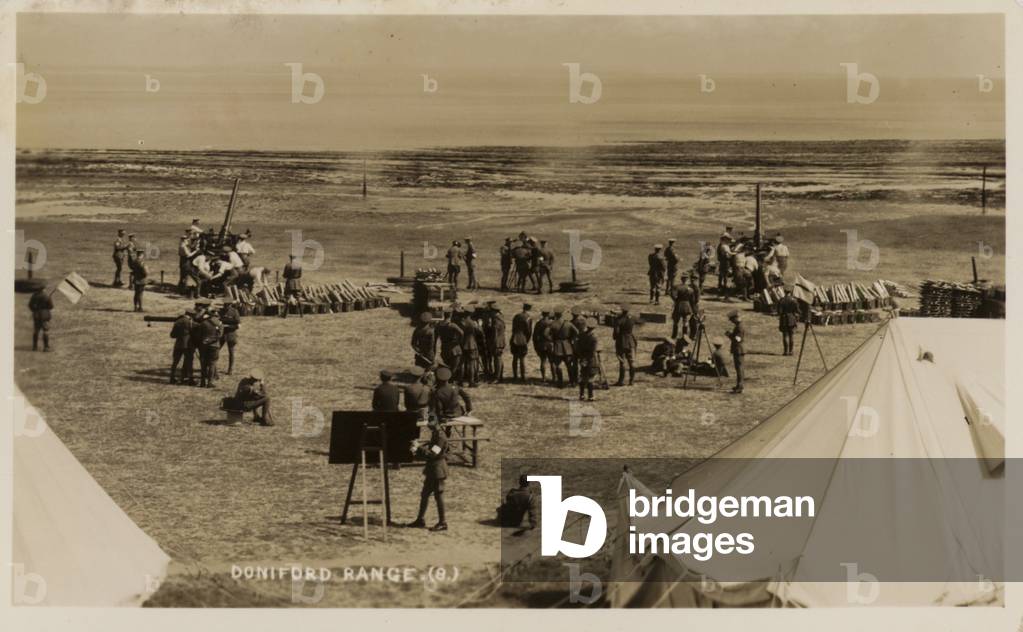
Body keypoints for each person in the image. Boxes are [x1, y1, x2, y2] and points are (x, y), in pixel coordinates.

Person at [409, 417, 449, 531]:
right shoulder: (435, 433)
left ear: (438, 423)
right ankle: (420, 520)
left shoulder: (440, 437)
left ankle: (443, 522)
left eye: (431, 421)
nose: (428, 423)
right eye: (428, 421)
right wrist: (417, 450)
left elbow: (432, 454)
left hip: (437, 470)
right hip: (432, 469)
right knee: (425, 494)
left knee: (438, 496)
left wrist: (418, 447)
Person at [549, 308, 578, 389]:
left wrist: (552, 339)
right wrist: (571, 338)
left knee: (558, 365)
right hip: (567, 346)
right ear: (562, 314)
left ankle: (560, 383)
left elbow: (546, 333)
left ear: (555, 314)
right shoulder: (568, 323)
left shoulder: (552, 324)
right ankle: (572, 382)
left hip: (557, 346)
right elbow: (577, 332)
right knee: (569, 365)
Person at [574, 318, 600, 401]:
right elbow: (593, 351)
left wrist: (582, 358)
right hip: (591, 359)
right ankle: (590, 396)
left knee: (583, 376)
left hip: (583, 358)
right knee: (590, 378)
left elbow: (577, 347)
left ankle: (581, 395)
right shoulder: (594, 337)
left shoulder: (581, 335)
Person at [198, 307, 223, 388]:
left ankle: (202, 382)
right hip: (214, 346)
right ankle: (210, 382)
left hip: (204, 345)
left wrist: (205, 341)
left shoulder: (203, 323)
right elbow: (220, 335)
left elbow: (199, 335)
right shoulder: (219, 323)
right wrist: (211, 340)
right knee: (212, 363)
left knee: (203, 364)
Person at [436, 311, 464, 384]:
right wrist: (459, 341)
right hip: (455, 348)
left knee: (446, 365)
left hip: (444, 348)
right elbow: (462, 333)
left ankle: (446, 380)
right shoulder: (452, 325)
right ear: (450, 315)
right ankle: (453, 381)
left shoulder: (439, 325)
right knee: (456, 366)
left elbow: (436, 335)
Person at [613, 305, 637, 386]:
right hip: (631, 341)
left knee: (622, 362)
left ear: (622, 310)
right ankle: (632, 380)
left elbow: (616, 333)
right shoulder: (632, 318)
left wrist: (615, 337)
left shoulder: (618, 320)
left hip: (621, 341)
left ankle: (621, 381)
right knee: (632, 362)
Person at [460, 310, 484, 387]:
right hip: (471, 345)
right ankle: (471, 381)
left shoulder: (462, 322)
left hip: (463, 344)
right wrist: (480, 325)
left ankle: (461, 381)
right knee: (471, 363)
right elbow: (480, 332)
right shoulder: (473, 323)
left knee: (462, 363)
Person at [510, 303, 533, 382]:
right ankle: (523, 377)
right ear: (529, 309)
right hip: (522, 339)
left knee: (515, 358)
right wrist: (526, 340)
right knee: (522, 359)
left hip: (514, 338)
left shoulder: (516, 316)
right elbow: (529, 331)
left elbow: (513, 328)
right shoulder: (528, 318)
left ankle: (515, 376)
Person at [169, 310, 194, 384]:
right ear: (191, 315)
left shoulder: (178, 321)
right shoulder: (190, 322)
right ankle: (190, 379)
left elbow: (172, 335)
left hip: (178, 344)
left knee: (175, 362)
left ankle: (172, 378)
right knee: (189, 362)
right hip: (187, 345)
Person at [484, 303, 506, 383]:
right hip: (501, 342)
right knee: (499, 359)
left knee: (497, 360)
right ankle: (500, 375)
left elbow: (495, 335)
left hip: (497, 343)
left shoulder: (496, 321)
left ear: (494, 312)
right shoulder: (501, 318)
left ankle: (497, 377)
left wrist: (492, 344)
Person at [726, 310, 746, 394]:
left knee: (739, 368)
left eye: (732, 320)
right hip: (738, 349)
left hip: (738, 349)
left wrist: (729, 335)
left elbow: (737, 339)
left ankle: (740, 386)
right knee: (738, 368)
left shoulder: (739, 327)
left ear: (735, 318)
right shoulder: (739, 326)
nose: (732, 322)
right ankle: (739, 385)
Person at [219, 298, 241, 376]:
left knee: (231, 352)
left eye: (228, 305)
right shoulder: (220, 311)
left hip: (231, 334)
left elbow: (238, 324)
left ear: (231, 305)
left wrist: (227, 325)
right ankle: (212, 367)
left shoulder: (234, 311)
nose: (226, 306)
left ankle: (230, 369)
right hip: (222, 334)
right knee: (216, 350)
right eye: (225, 305)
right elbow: (218, 321)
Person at [28, 287, 54, 352]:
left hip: (36, 315)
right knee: (45, 331)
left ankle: (34, 347)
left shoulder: (34, 296)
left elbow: (30, 305)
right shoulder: (46, 296)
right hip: (45, 315)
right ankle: (46, 347)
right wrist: (45, 307)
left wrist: (34, 309)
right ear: (43, 289)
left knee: (36, 331)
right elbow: (51, 306)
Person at [777, 287, 800, 356]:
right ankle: (791, 351)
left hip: (784, 319)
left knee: (785, 335)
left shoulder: (782, 300)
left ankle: (785, 351)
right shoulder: (794, 300)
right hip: (792, 319)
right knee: (791, 336)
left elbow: (779, 311)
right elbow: (797, 310)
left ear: (784, 292)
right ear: (791, 292)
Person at [532, 310, 552, 383]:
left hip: (542, 344)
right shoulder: (551, 323)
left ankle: (543, 378)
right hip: (550, 344)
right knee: (552, 362)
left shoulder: (539, 323)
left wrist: (536, 345)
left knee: (543, 361)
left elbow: (535, 336)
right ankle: (554, 378)